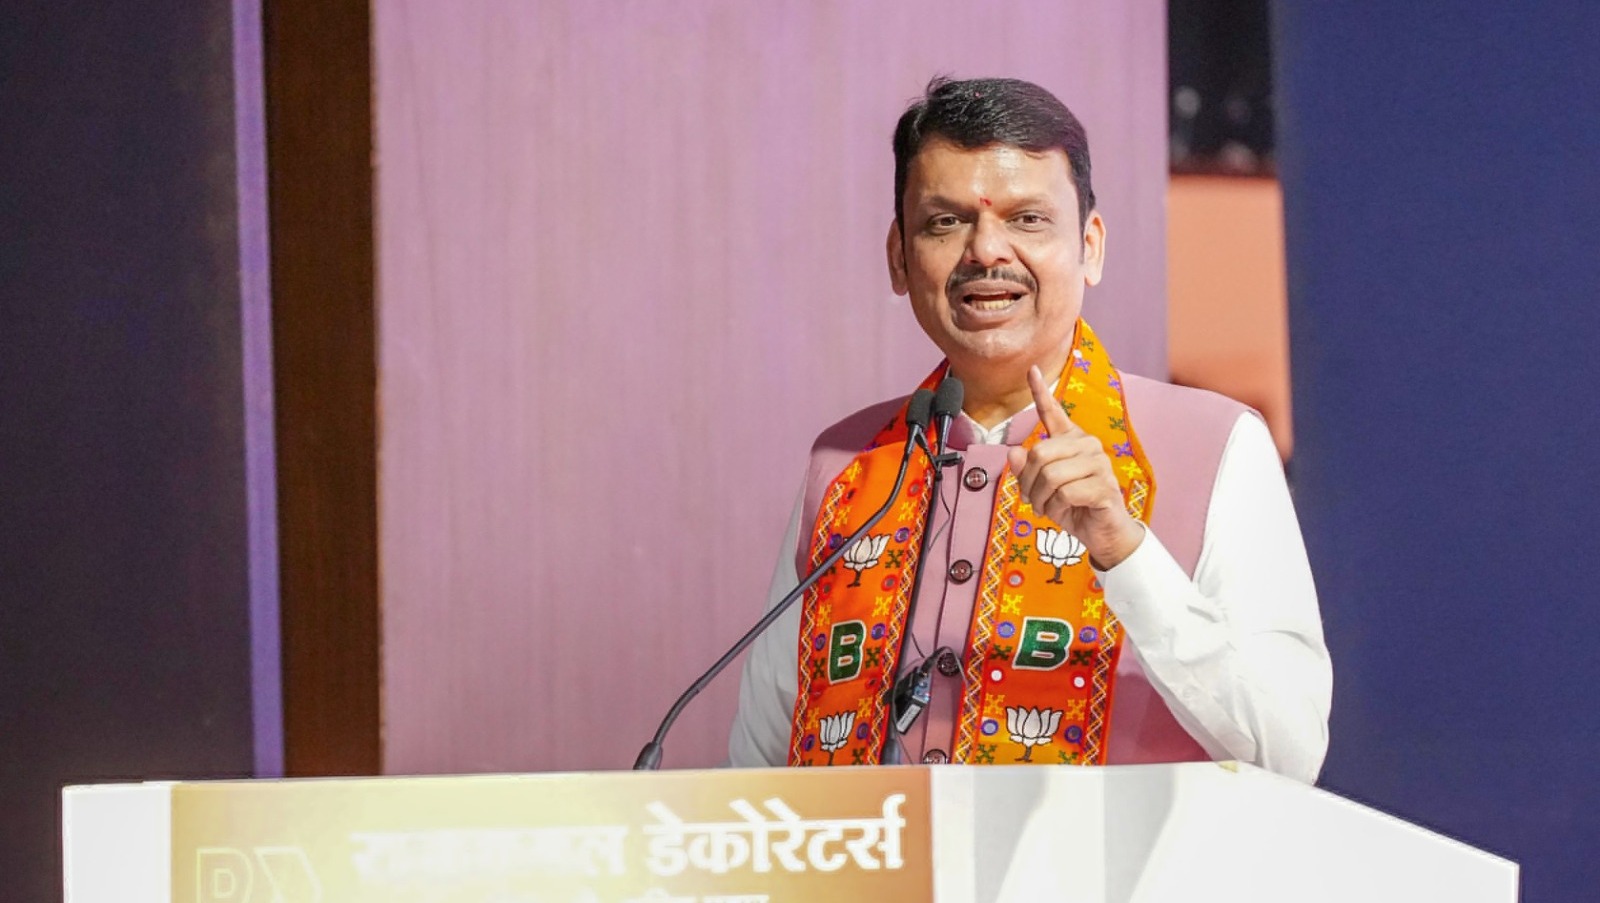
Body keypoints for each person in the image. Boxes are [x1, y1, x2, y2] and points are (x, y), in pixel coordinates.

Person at [727, 76, 1331, 783]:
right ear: (899, 256)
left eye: (1029, 220)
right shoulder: (847, 466)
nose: (987, 250)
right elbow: (758, 773)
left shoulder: (1215, 444)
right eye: (945, 222)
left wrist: (1124, 550)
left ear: (1091, 247)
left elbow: (1289, 749)